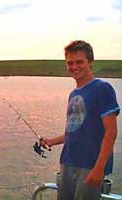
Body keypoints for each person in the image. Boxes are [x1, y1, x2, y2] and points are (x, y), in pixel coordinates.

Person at [40, 40, 120, 200]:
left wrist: (99, 168)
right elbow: (73, 131)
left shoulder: (102, 89)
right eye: (70, 63)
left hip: (89, 165)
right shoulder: (73, 94)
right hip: (67, 162)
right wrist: (51, 141)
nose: (74, 67)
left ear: (90, 62)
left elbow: (111, 132)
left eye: (79, 62)